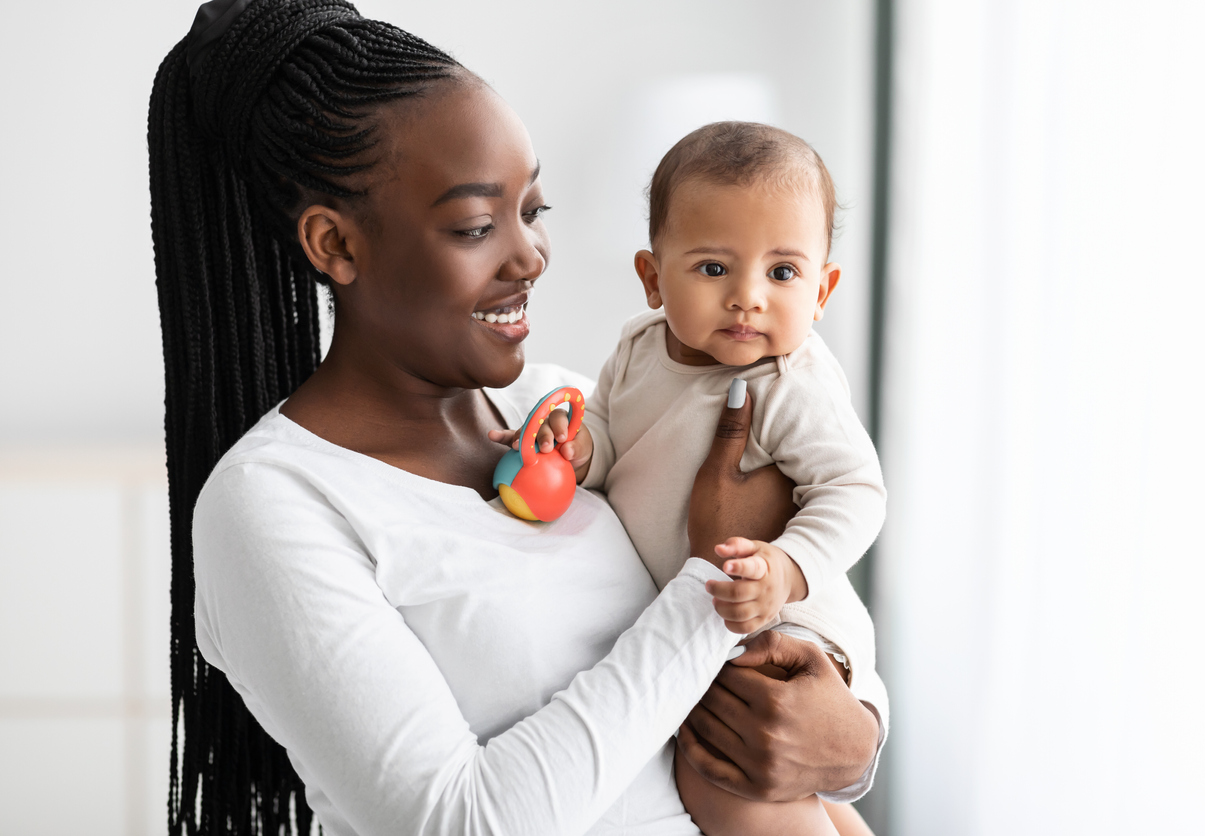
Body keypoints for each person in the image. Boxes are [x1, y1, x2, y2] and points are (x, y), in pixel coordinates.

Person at [149, 1, 885, 833]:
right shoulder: (274, 506)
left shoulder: (567, 409)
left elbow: (813, 620)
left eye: (532, 211)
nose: (531, 257)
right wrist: (712, 586)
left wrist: (853, 735)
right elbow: (460, 823)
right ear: (336, 245)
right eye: (474, 225)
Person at [497, 122, 885, 834]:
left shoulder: (789, 382)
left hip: (784, 623)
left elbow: (856, 491)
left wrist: (785, 566)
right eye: (714, 269)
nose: (748, 298)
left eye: (783, 273)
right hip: (716, 623)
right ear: (652, 277)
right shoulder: (638, 349)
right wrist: (578, 450)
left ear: (822, 289)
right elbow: (617, 442)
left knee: (721, 778)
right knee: (810, 804)